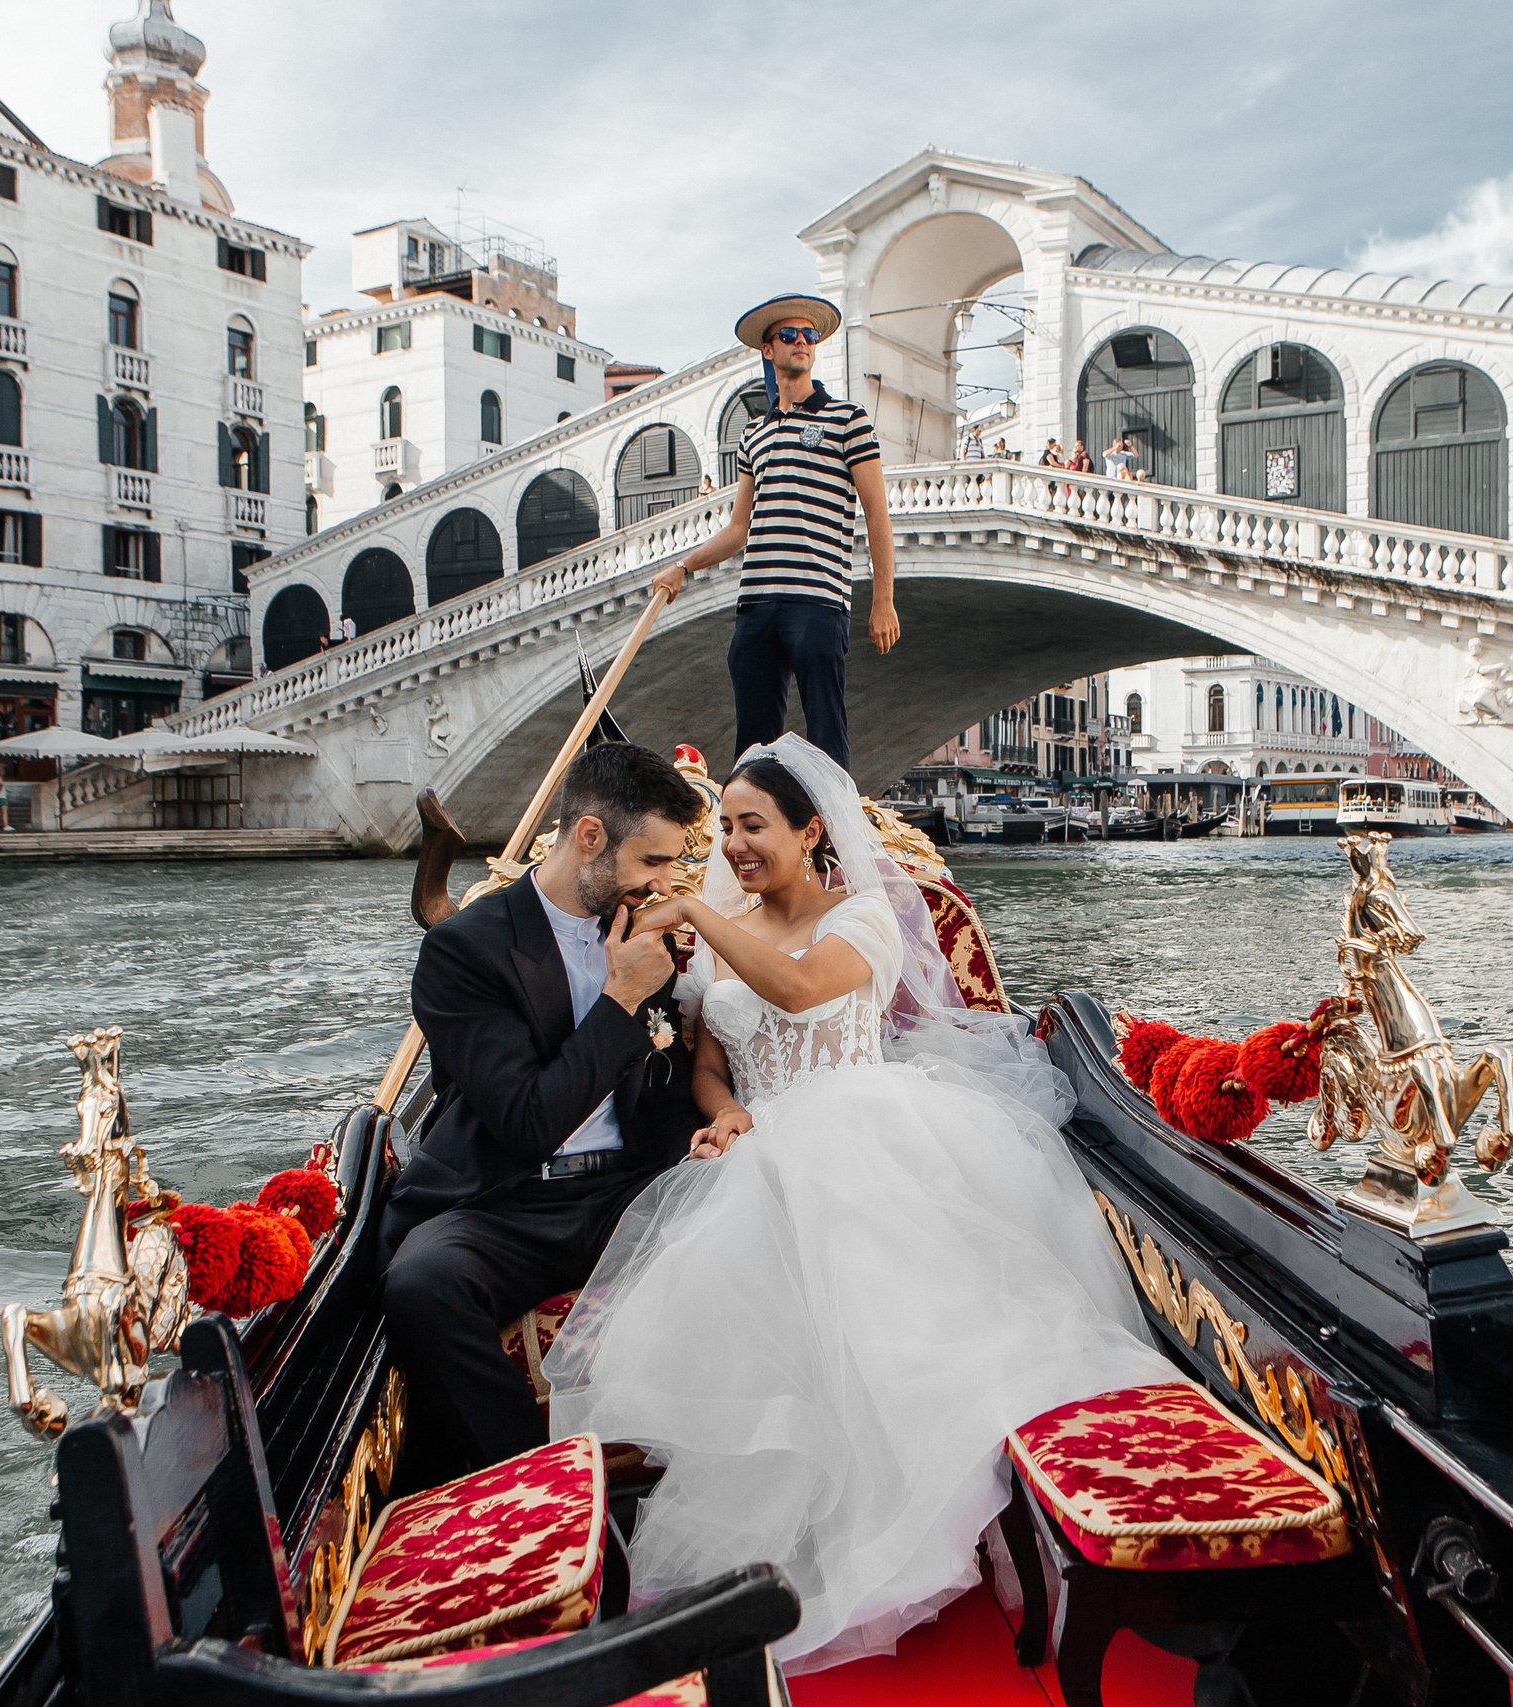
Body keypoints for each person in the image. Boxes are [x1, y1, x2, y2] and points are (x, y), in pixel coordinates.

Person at [547, 735, 1172, 1672]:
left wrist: (694, 916)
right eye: (726, 829)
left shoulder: (865, 920)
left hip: (867, 1130)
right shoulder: (724, 932)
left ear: (810, 832)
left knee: (864, 1272)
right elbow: (714, 1069)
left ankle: (925, 1524)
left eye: (753, 827)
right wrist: (726, 1119)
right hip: (763, 1145)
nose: (734, 848)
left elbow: (798, 988)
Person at [380, 743, 710, 1492]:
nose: (667, 884)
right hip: (508, 1198)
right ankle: (539, 1488)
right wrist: (622, 1001)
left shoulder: (643, 934)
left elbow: (658, 1098)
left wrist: (698, 1144)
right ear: (589, 836)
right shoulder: (463, 950)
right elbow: (528, 1120)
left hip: (624, 1191)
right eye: (652, 861)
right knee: (421, 1284)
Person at [650, 296, 897, 774]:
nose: (801, 342)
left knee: (827, 733)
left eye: (808, 335)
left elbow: (877, 515)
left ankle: (832, 839)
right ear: (769, 350)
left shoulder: (849, 421)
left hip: (818, 602)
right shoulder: (754, 436)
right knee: (753, 744)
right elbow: (738, 530)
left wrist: (882, 599)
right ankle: (752, 842)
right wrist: (683, 567)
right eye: (789, 335)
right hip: (757, 607)